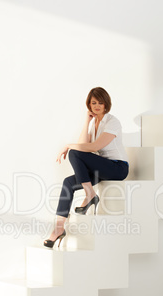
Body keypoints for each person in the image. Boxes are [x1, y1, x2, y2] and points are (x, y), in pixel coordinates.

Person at [43, 87, 129, 248]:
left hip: (117, 168)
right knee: (68, 183)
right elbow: (83, 145)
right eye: (93, 103)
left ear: (106, 104)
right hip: (102, 167)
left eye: (100, 103)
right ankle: (58, 229)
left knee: (73, 152)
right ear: (89, 104)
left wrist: (68, 145)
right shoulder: (92, 123)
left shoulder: (112, 122)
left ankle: (90, 194)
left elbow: (94, 146)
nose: (97, 106)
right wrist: (87, 121)